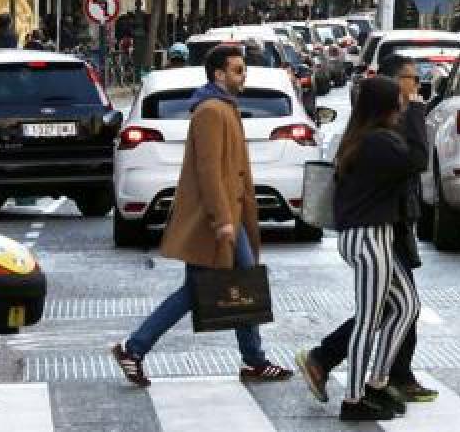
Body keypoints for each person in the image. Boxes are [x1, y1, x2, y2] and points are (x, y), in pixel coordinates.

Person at [110, 45, 294, 386]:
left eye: (244, 69)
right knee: (208, 287)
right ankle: (133, 347)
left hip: (231, 214)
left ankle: (253, 359)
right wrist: (222, 218)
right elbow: (208, 171)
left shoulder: (223, 107)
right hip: (218, 218)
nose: (244, 75)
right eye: (238, 70)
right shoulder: (211, 111)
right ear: (218, 75)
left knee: (239, 282)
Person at [296, 56, 439, 408]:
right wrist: (418, 111)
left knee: (405, 306)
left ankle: (377, 379)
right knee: (369, 319)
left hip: (377, 236)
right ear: (385, 106)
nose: (405, 101)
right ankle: (355, 398)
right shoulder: (377, 141)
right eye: (399, 101)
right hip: (367, 236)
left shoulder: (372, 136)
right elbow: (418, 159)